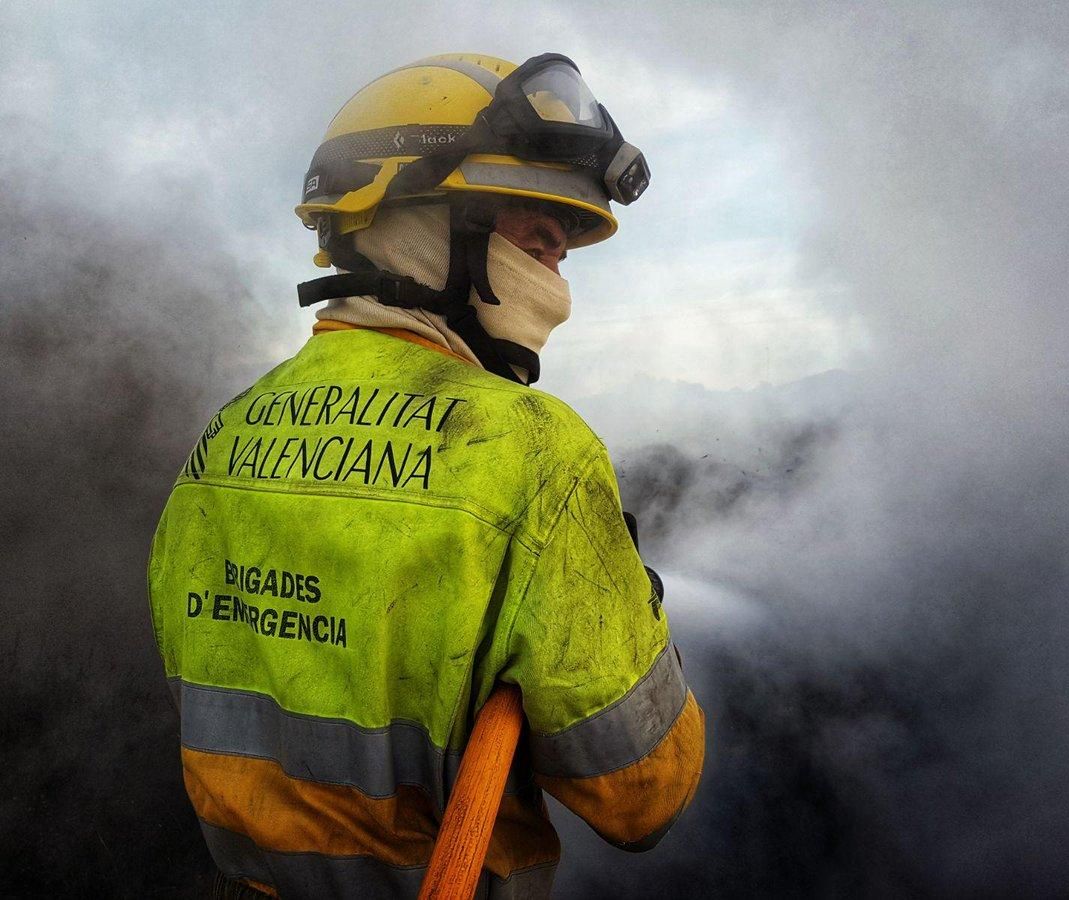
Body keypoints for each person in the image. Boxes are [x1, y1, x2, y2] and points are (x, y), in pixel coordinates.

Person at [147, 52, 704, 898]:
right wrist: (630, 603)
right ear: (410, 217)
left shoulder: (222, 439)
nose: (555, 264)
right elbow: (644, 795)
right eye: (532, 223)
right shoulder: (536, 454)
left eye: (565, 240)